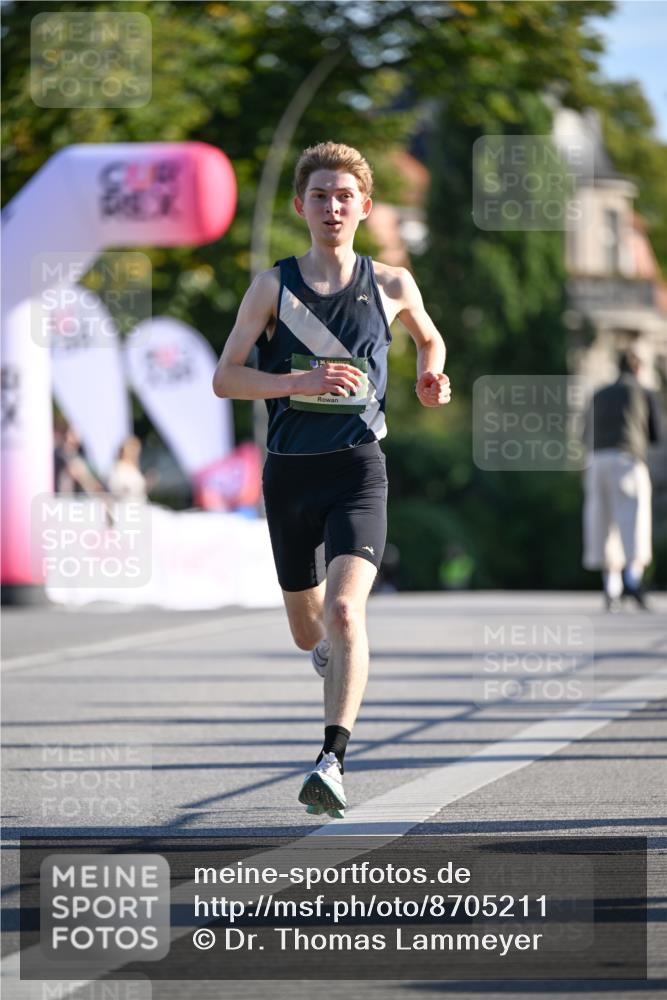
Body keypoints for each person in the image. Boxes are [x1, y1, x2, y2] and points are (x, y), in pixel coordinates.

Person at [213, 141, 451, 818]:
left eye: (344, 196)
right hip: (289, 475)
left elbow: (428, 339)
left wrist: (429, 376)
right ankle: (329, 656)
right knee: (308, 632)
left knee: (347, 612)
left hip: (358, 470)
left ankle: (331, 760)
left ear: (364, 207)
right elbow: (225, 377)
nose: (332, 206)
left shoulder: (392, 283)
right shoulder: (271, 286)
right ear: (300, 206)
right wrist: (299, 381)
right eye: (319, 195)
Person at [583, 345, 662, 611]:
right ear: (638, 367)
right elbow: (654, 435)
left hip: (597, 460)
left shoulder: (599, 394)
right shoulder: (644, 392)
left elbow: (584, 433)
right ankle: (632, 581)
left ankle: (611, 585)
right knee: (632, 519)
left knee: (603, 522)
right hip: (628, 459)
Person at [108, 435, 157, 502]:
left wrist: (148, 482)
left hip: (139, 504)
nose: (133, 453)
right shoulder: (117, 467)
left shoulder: (135, 468)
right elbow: (115, 488)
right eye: (131, 449)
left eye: (135, 449)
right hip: (124, 505)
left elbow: (140, 491)